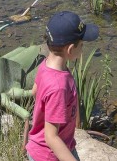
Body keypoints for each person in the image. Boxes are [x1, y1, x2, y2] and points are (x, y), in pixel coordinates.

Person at [26, 11, 99, 161]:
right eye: (82, 45)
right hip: (49, 156)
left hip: (47, 148)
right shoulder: (59, 86)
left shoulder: (45, 64)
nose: (83, 48)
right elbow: (51, 137)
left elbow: (35, 92)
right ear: (71, 49)